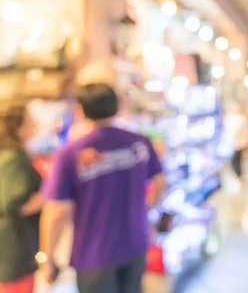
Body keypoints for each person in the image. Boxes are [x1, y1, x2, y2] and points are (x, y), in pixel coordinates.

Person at [40, 83, 166, 293]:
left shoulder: (70, 154)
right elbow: (161, 182)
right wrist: (146, 210)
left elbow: (58, 211)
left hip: (94, 253)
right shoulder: (139, 142)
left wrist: (47, 257)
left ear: (80, 109)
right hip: (136, 241)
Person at [0, 103, 45, 293]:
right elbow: (13, 203)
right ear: (17, 128)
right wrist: (48, 195)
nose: (34, 123)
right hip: (14, 248)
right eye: (29, 120)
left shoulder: (12, 155)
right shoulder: (14, 158)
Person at [228, 105, 248, 181]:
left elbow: (235, 131)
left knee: (236, 160)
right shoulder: (234, 118)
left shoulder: (240, 118)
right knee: (237, 159)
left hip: (239, 143)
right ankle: (238, 175)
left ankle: (239, 175)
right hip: (237, 143)